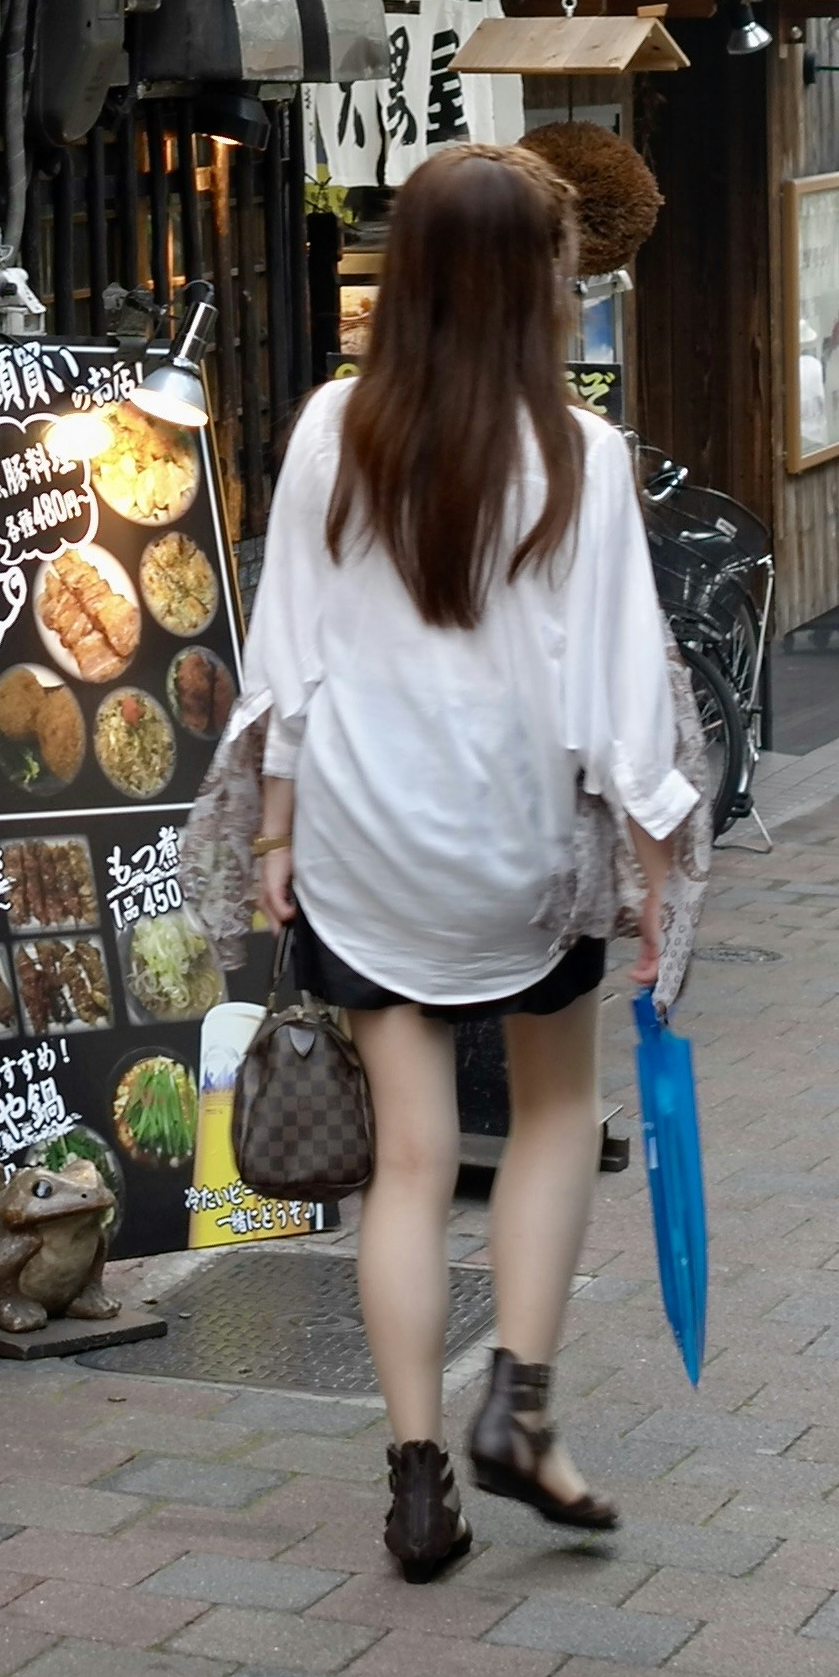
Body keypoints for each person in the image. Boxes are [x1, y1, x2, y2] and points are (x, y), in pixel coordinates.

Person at [236, 144, 691, 1581]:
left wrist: (274, 826)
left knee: (411, 1161)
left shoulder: (333, 428)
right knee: (553, 1112)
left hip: (366, 838)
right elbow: (621, 690)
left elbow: (288, 651)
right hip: (517, 841)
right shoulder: (583, 454)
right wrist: (658, 863)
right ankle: (523, 1411)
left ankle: (417, 1478)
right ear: (537, 285)